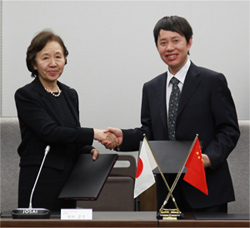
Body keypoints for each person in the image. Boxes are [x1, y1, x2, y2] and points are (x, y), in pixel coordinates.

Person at [103, 16, 240, 213]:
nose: (169, 48)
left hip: (206, 187)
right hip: (168, 190)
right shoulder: (151, 88)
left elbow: (229, 129)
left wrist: (209, 157)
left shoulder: (212, 81)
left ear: (189, 42)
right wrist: (123, 137)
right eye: (163, 42)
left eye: (176, 41)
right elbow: (149, 132)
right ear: (157, 47)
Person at [14, 30, 117, 212]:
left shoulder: (70, 94)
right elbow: (50, 132)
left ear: (65, 59)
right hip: (40, 180)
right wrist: (94, 134)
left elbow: (71, 134)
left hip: (69, 181)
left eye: (58, 57)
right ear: (34, 63)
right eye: (45, 58)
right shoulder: (26, 95)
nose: (53, 63)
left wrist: (89, 149)